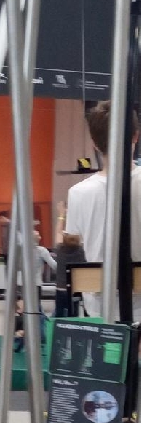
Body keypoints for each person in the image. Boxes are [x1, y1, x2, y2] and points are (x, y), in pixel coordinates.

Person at [64, 100, 141, 319]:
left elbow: (72, 243)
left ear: (95, 144)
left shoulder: (77, 193)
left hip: (98, 303)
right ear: (135, 136)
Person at [53, 229, 86, 318]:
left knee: (59, 313)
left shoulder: (59, 249)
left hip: (60, 288)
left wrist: (61, 220)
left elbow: (58, 234)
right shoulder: (80, 251)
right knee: (74, 313)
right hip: (74, 288)